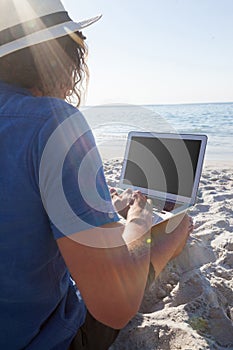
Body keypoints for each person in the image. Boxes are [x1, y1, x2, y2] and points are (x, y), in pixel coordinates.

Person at [0, 1, 194, 349]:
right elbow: (114, 307)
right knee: (169, 233)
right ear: (61, 56)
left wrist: (102, 206)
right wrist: (139, 220)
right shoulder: (50, 122)